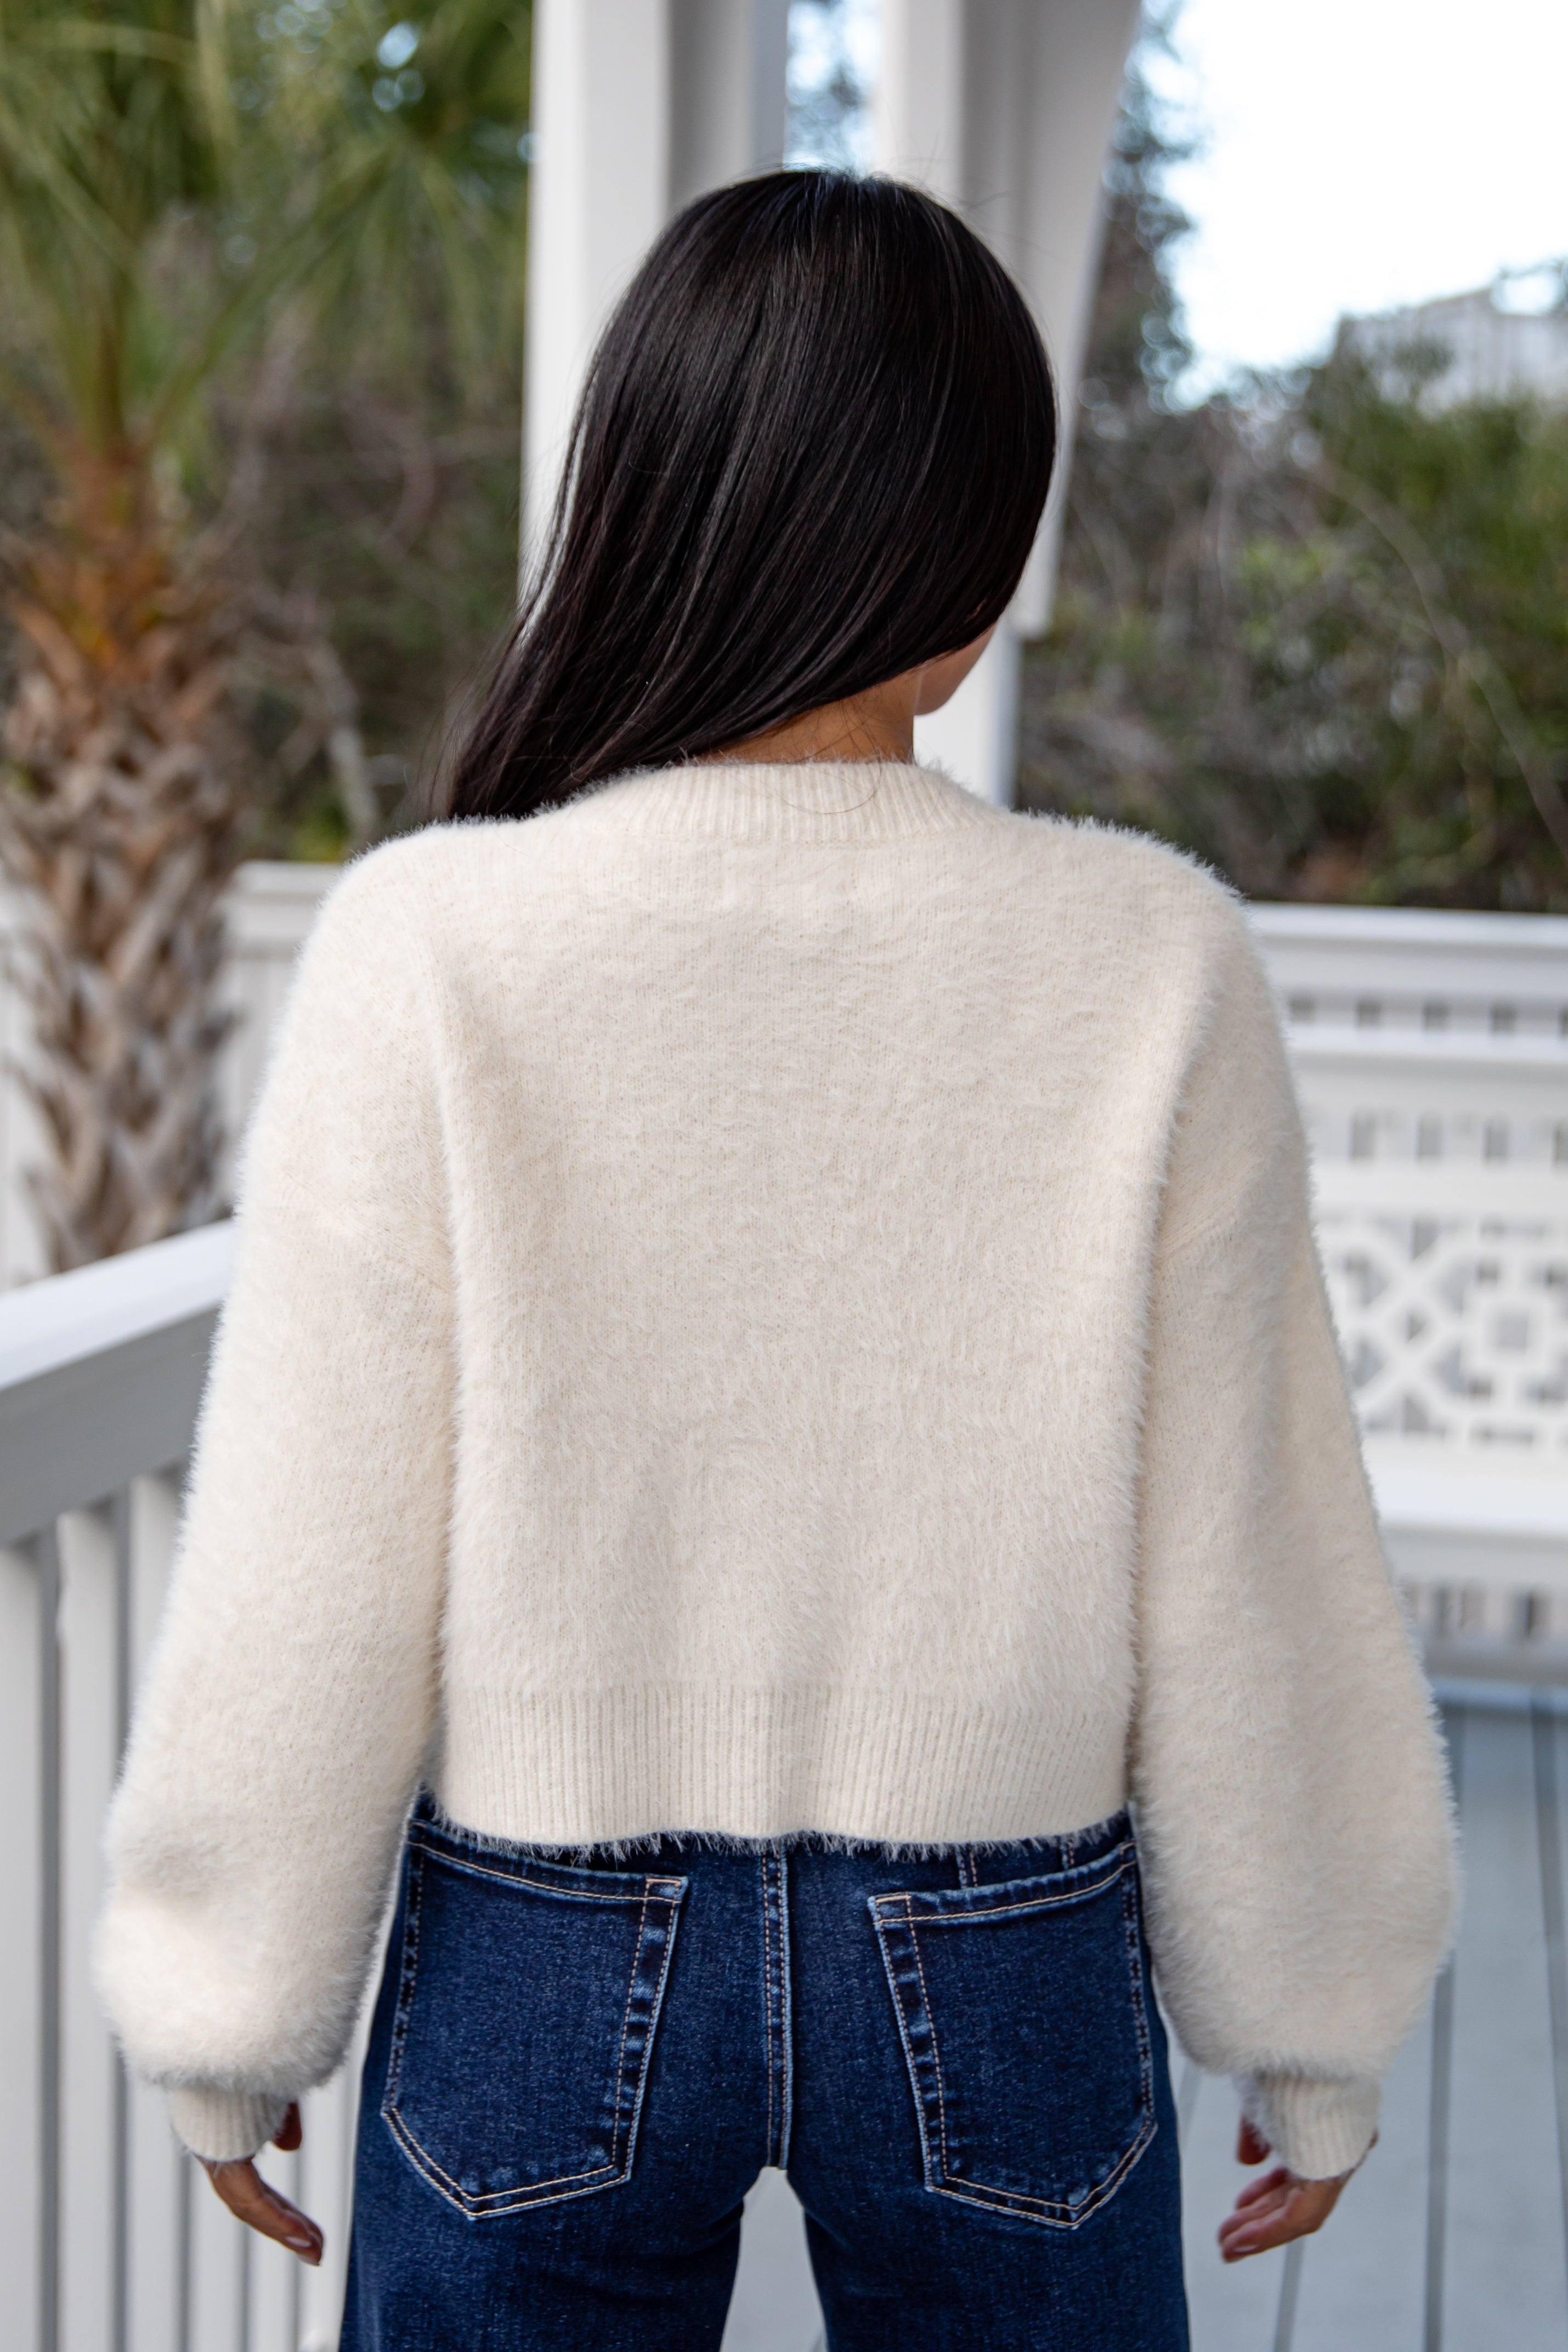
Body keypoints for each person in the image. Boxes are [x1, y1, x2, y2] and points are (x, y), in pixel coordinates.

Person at [97, 171, 1454, 2350]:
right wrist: (1315, 2013)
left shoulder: (437, 941)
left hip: (542, 1943)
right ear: (967, 551)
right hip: (1005, 1935)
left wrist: (222, 2000)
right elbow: (1249, 1539)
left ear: (655, 498)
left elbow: (314, 1538)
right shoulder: (1145, 957)